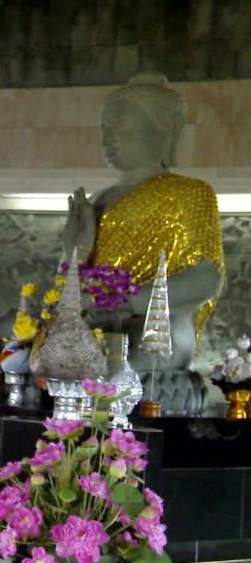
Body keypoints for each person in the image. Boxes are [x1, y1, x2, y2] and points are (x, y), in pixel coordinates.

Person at [63, 73, 225, 376]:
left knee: (121, 353)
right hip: (95, 323)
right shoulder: (99, 199)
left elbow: (206, 277)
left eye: (120, 128)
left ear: (166, 128)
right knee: (19, 339)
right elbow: (71, 285)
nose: (106, 141)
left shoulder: (189, 192)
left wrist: (125, 301)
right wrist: (73, 251)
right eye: (104, 130)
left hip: (156, 327)